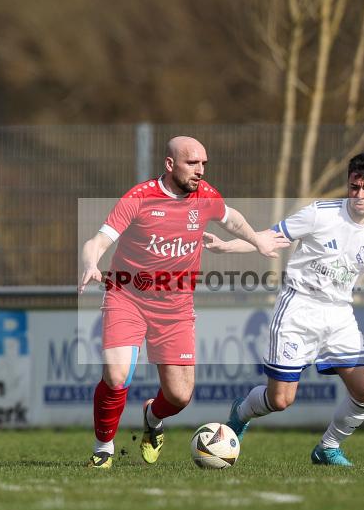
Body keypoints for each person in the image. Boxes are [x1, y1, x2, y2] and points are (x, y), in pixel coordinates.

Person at [77, 136, 284, 469]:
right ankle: (104, 448)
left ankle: (152, 419)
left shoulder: (205, 196)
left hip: (175, 309)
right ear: (170, 164)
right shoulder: (139, 198)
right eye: (192, 163)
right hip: (126, 297)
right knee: (117, 376)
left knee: (179, 396)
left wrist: (257, 238)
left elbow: (230, 218)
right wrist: (91, 263)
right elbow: (98, 240)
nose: (200, 170)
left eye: (204, 163)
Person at [204, 152, 364, 467]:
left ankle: (327, 448)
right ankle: (242, 410)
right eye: (354, 187)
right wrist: (226, 246)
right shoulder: (321, 214)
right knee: (280, 400)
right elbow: (268, 238)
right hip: (299, 307)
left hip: (339, 315)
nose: (359, 195)